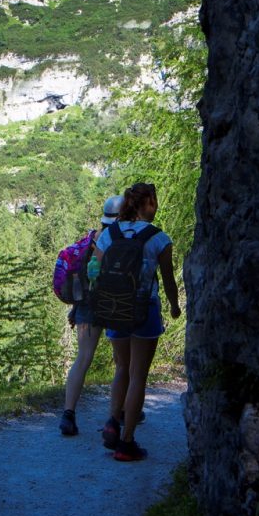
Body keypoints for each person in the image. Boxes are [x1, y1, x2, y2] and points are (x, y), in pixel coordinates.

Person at [92, 182, 181, 462]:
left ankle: (112, 422)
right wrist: (176, 306)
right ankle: (126, 443)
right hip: (145, 309)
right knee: (138, 375)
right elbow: (167, 279)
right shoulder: (158, 238)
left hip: (114, 308)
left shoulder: (109, 234)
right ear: (147, 204)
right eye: (154, 201)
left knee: (122, 368)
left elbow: (96, 272)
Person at [59, 195, 123, 436]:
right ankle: (121, 413)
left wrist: (76, 308)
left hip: (87, 304)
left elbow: (84, 278)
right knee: (122, 360)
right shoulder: (119, 239)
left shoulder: (92, 238)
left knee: (83, 358)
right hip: (116, 304)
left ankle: (68, 414)